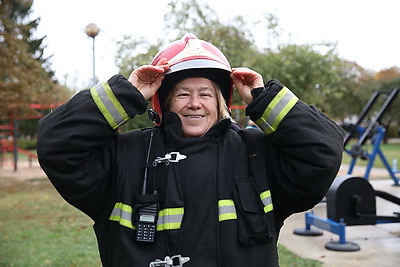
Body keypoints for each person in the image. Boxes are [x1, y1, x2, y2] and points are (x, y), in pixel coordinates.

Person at [37, 33, 344, 267]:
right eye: (183, 93)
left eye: (206, 94)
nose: (195, 103)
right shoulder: (126, 156)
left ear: (220, 102)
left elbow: (322, 153)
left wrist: (266, 100)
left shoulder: (256, 154)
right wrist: (124, 95)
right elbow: (58, 144)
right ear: (163, 102)